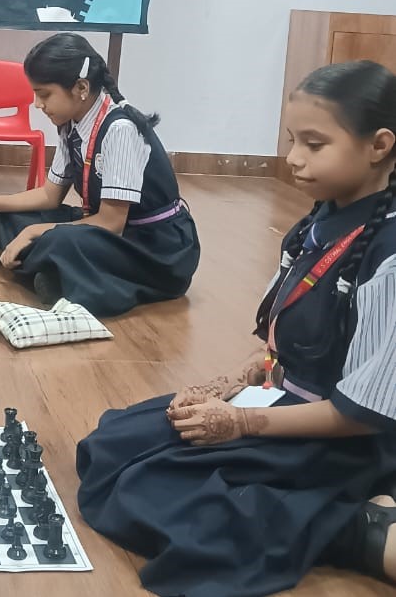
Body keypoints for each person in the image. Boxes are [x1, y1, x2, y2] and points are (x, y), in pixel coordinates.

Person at [77, 60, 396, 596]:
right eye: (292, 140)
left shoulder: (388, 255)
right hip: (283, 400)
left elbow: (362, 415)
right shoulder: (322, 220)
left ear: (379, 145)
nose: (293, 158)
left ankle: (353, 527)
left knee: (146, 490)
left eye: (314, 144)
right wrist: (230, 382)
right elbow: (281, 337)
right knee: (115, 442)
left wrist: (243, 424)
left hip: (342, 438)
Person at [0, 33, 199, 316]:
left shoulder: (120, 130)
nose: (37, 104)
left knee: (59, 240)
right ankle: (49, 270)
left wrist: (32, 232)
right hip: (103, 227)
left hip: (153, 246)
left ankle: (50, 270)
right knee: (7, 217)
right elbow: (49, 195)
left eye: (44, 94)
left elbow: (111, 224)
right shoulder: (71, 124)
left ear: (81, 87)